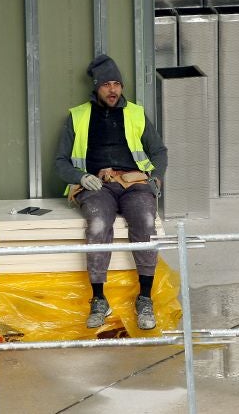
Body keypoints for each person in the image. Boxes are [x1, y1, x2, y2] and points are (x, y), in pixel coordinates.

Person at [55, 54, 168, 330]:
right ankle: (99, 299)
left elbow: (159, 152)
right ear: (96, 87)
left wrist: (155, 178)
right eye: (107, 84)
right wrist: (80, 177)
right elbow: (60, 162)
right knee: (97, 223)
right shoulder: (78, 116)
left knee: (144, 220)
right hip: (97, 185)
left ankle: (144, 297)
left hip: (134, 183)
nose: (113, 90)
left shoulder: (136, 114)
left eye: (117, 84)